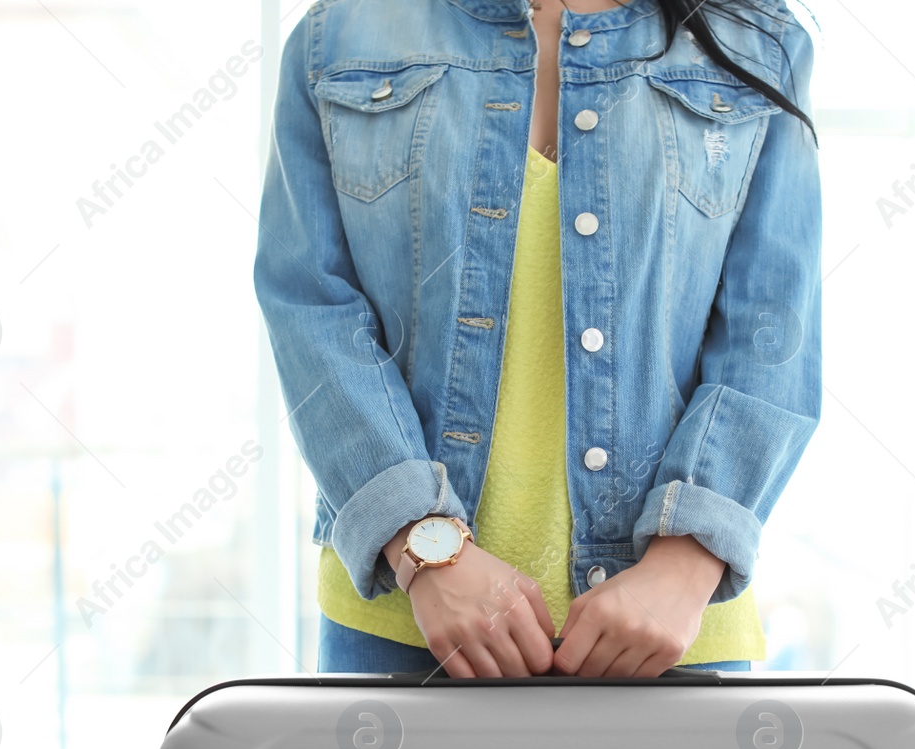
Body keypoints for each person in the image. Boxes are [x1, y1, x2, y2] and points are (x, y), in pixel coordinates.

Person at [256, 0, 821, 676]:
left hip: (668, 632)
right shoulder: (342, 33)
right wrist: (426, 547)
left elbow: (773, 328)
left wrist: (685, 562)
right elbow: (309, 305)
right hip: (406, 623)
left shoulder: (756, 40)